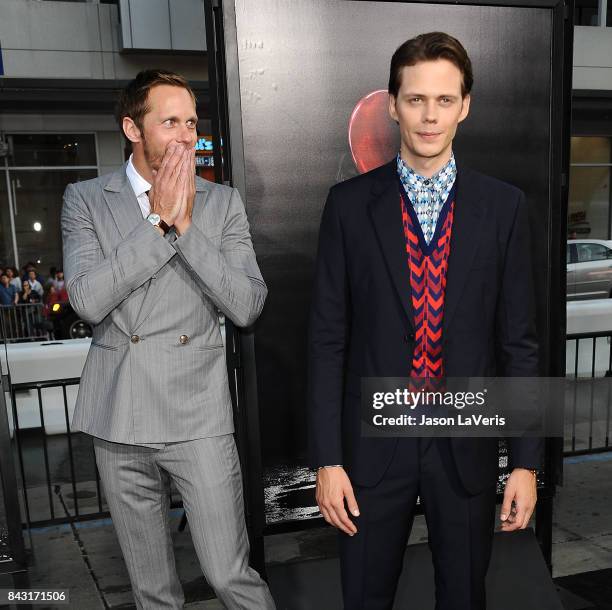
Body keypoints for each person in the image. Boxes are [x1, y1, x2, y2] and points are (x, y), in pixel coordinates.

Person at [308, 32, 542, 609]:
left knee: (464, 597)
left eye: (443, 100)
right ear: (392, 104)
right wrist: (327, 458)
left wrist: (528, 463)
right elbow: (326, 340)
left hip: (466, 439)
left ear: (465, 105)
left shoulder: (504, 207)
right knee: (365, 597)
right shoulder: (347, 205)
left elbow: (520, 344)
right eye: (415, 100)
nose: (429, 115)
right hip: (371, 447)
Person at [61, 69, 275, 610]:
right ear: (133, 128)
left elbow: (247, 305)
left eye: (192, 122)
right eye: (170, 122)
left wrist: (184, 227)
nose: (186, 136)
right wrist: (157, 222)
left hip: (196, 414)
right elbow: (87, 300)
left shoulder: (222, 203)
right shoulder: (86, 200)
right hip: (119, 415)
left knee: (230, 576)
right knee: (153, 592)